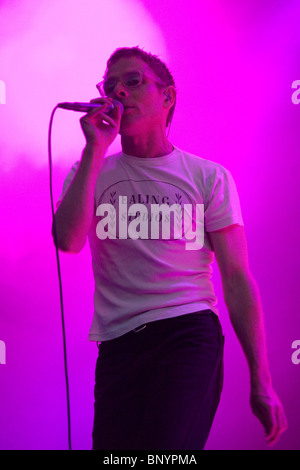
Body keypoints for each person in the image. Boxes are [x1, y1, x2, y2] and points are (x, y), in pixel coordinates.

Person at [53, 46, 287, 450]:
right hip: (117, 342)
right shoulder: (90, 170)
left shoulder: (207, 176)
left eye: (133, 81)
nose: (119, 92)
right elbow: (67, 241)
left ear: (167, 96)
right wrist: (95, 147)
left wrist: (261, 380)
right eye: (110, 86)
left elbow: (236, 278)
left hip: (187, 331)